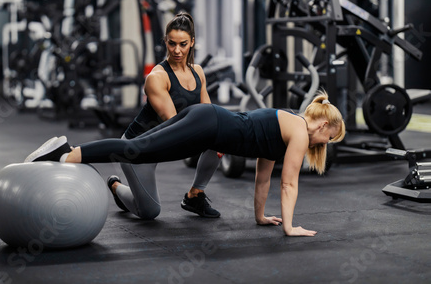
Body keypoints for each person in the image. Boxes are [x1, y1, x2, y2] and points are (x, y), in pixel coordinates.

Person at [25, 90, 345, 237]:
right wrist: (290, 228)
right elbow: (288, 183)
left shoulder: (287, 124)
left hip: (207, 115)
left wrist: (261, 217)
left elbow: (264, 179)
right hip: (209, 125)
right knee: (138, 150)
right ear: (320, 127)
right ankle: (66, 153)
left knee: (138, 148)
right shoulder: (301, 132)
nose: (325, 144)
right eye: (328, 138)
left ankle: (73, 156)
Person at [110, 12, 221, 219]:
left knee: (219, 140)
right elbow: (174, 124)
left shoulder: (198, 71)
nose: (177, 50)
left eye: (183, 44)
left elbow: (209, 114)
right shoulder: (157, 78)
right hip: (138, 149)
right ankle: (116, 186)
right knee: (149, 212)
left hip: (166, 144)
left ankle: (195, 195)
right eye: (171, 44)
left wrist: (222, 138)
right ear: (165, 42)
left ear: (192, 42)